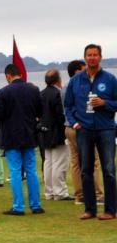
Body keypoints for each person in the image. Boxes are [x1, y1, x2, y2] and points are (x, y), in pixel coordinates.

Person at [64, 44, 117, 220]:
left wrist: (105, 104)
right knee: (85, 170)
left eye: (95, 55)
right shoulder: (76, 80)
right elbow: (68, 105)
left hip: (106, 129)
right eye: (89, 55)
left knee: (108, 170)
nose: (92, 57)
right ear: (85, 58)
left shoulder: (110, 79)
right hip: (84, 130)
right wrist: (74, 123)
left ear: (100, 57)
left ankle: (110, 210)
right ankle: (90, 209)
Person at [0, 63, 43, 215]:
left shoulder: (3, 92)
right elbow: (39, 112)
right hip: (29, 134)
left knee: (15, 171)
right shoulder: (33, 89)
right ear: (20, 74)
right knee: (31, 170)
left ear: (8, 75)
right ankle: (36, 205)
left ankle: (18, 206)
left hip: (11, 136)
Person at [65, 59, 103, 205]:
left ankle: (79, 195)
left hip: (69, 127)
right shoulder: (80, 87)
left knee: (75, 162)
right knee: (93, 161)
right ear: (77, 72)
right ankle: (97, 195)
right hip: (81, 127)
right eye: (83, 69)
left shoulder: (64, 88)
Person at [39, 69, 71, 200]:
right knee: (59, 163)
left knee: (48, 162)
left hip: (44, 132)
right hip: (58, 132)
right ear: (58, 80)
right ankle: (60, 192)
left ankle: (49, 191)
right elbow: (60, 115)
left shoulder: (41, 94)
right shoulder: (58, 94)